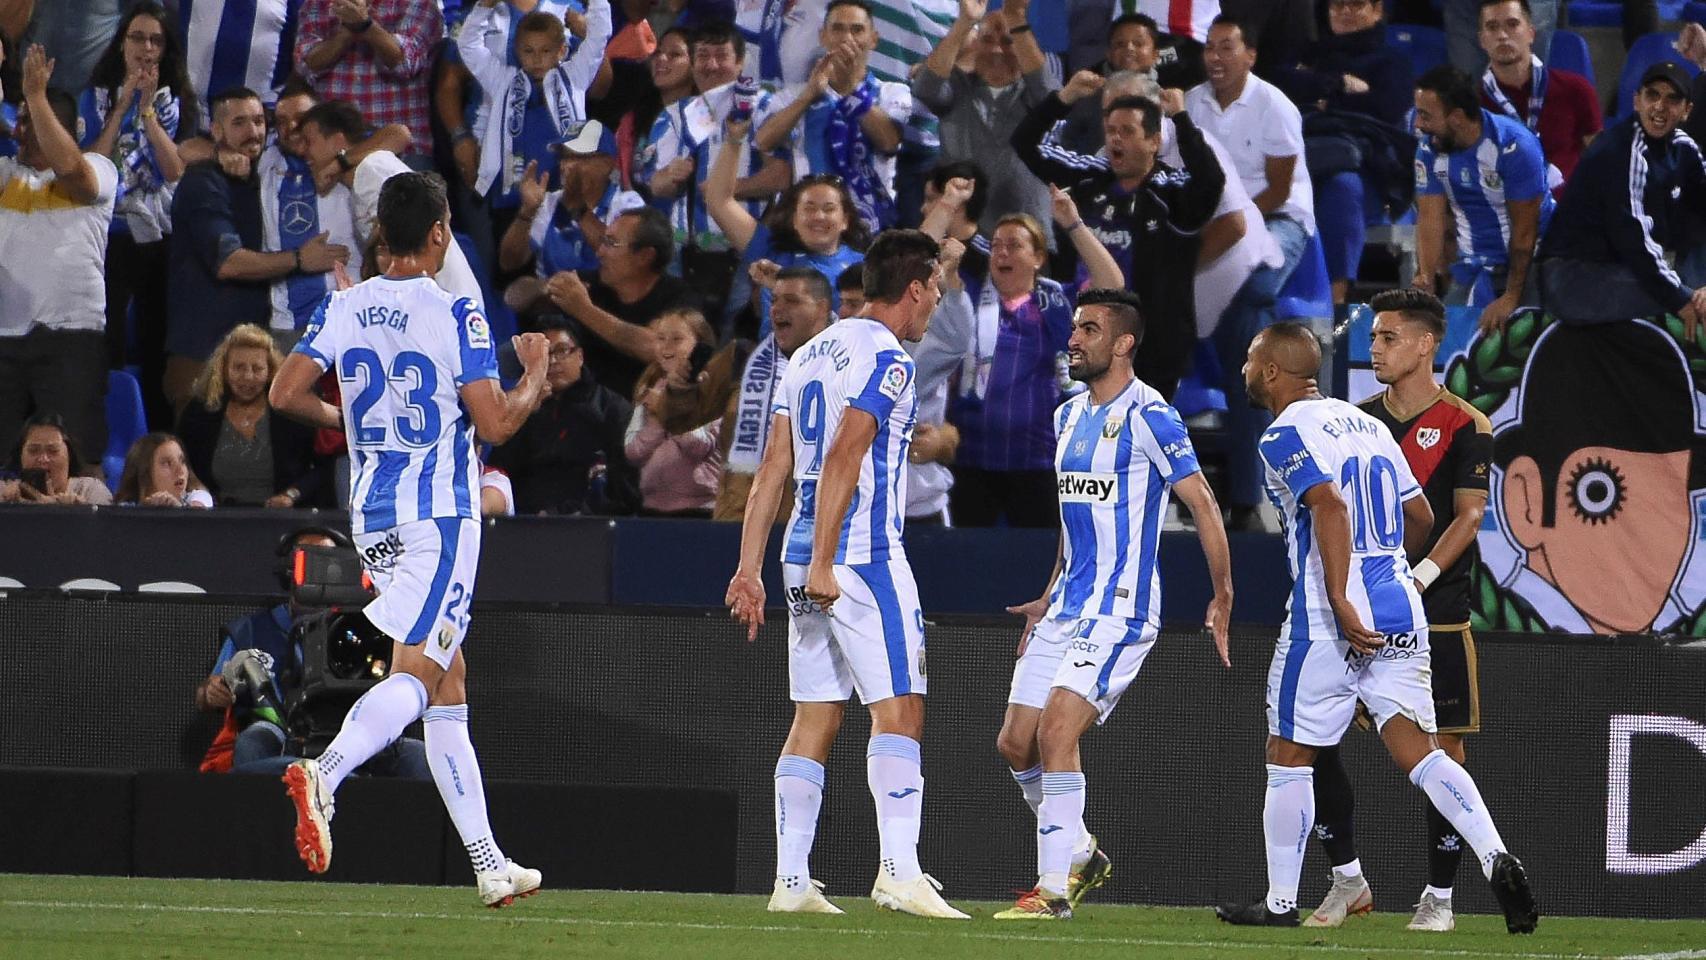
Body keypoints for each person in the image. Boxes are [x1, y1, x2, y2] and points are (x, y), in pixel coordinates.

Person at [267, 171, 552, 905]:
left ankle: (489, 864)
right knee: (419, 679)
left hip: (375, 520)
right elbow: (495, 425)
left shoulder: (342, 305)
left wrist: (348, 424)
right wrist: (537, 378)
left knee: (447, 687)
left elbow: (284, 392)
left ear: (375, 238)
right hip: (442, 518)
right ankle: (324, 774)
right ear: (438, 233)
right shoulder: (457, 310)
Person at [1216, 321, 1538, 936]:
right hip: (1398, 597)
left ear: (1274, 373)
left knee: (1288, 753)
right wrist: (1382, 570)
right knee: (1421, 752)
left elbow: (1329, 507)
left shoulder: (1283, 433)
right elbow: (1419, 513)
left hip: (1330, 611)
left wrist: (1340, 594)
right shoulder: (1367, 424)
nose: (1244, 372)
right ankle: (1496, 855)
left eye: (1251, 361)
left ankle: (1281, 902)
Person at [725, 228, 969, 919]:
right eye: (935, 294)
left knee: (816, 714)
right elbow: (845, 456)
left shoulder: (804, 356)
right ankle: (898, 871)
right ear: (914, 289)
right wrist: (831, 558)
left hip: (797, 554)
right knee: (901, 707)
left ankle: (791, 881)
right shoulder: (888, 359)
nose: (934, 310)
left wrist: (750, 568)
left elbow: (772, 467)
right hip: (858, 554)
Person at [991, 287, 1232, 920]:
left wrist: (1223, 594)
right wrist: (1046, 596)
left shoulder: (1153, 415)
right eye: (1074, 328)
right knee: (1015, 744)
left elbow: (1202, 503)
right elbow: (1075, 527)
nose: (1074, 339)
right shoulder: (1067, 415)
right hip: (1066, 607)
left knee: (1056, 730)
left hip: (1120, 609)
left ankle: (1051, 894)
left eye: (1090, 329)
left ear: (1124, 343)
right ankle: (1079, 850)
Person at [1303, 289, 1494, 932]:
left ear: (1425, 344)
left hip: (1434, 614)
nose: (1374, 348)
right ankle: (1346, 879)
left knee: (1443, 753)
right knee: (1313, 741)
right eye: (1373, 337)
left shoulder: (1468, 424)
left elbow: (1468, 515)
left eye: (1387, 337)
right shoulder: (1355, 422)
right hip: (1354, 615)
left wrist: (1419, 576)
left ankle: (1439, 896)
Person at [1011, 80, 1226, 399]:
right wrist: (1065, 97)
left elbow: (1211, 181)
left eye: (1127, 131)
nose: (1115, 138)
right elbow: (1027, 143)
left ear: (1154, 141)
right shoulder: (1088, 176)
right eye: (1111, 130)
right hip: (1080, 338)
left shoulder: (1172, 192)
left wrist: (1180, 118)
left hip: (1151, 350)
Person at [946, 194, 1125, 529]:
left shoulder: (1059, 302)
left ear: (1038, 257)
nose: (1001, 252)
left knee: (1038, 566)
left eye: (1014, 245)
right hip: (971, 459)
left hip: (1037, 462)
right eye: (996, 245)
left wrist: (1073, 224)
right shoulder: (967, 298)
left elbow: (1112, 283)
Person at [167, 86, 351, 412]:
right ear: (217, 130)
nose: (253, 131)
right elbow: (228, 263)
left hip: (251, 354)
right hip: (201, 350)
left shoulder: (265, 172)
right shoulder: (203, 182)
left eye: (258, 121)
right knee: (198, 453)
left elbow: (397, 135)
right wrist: (299, 259)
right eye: (239, 122)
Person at [194, 526, 430, 778]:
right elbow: (205, 695)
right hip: (283, 734)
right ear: (288, 571)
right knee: (254, 739)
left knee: (418, 756)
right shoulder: (250, 630)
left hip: (355, 729)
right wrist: (212, 692)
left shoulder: (368, 627)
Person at [0, 45, 118, 463]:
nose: (19, 131)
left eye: (30, 123)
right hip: (5, 340)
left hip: (72, 337)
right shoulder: (6, 176)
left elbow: (72, 173)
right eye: (22, 122)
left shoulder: (100, 170)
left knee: (78, 458)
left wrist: (35, 97)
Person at [81, 3, 193, 431]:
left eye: (155, 40)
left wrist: (146, 110)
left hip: (156, 236)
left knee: (153, 342)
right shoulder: (96, 95)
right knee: (103, 344)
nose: (146, 48)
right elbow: (92, 165)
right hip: (105, 233)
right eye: (137, 37)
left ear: (165, 50)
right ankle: (101, 438)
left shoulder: (177, 99)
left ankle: (159, 444)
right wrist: (123, 101)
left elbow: (174, 169)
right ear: (122, 43)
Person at [1536, 62, 1706, 333]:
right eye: (1653, 95)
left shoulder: (1683, 146)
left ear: (1687, 111)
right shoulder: (1623, 152)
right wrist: (1683, 299)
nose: (1660, 106)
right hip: (1573, 279)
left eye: (1672, 99)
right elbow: (1634, 242)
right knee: (1694, 305)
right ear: (1637, 101)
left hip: (1620, 268)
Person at [1411, 65, 1551, 334]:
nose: (1418, 124)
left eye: (1426, 116)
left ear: (1457, 118)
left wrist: (1511, 297)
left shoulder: (1514, 146)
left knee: (1525, 342)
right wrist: (1427, 275)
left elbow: (1524, 235)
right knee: (1446, 343)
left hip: (1534, 262)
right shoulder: (1429, 147)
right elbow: (1430, 217)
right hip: (1475, 265)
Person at [458, 0, 612, 242]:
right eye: (528, 51)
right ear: (517, 52)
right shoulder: (502, 81)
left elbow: (599, 36)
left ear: (562, 51)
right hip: (512, 197)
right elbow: (467, 45)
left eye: (546, 51)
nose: (537, 59)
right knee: (511, 272)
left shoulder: (575, 76)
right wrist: (484, 7)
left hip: (564, 196)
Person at [754, 0, 913, 234]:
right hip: (808, 224)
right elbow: (763, 140)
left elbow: (889, 142)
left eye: (857, 30)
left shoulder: (892, 92)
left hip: (870, 225)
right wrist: (808, 96)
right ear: (823, 36)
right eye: (837, 29)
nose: (847, 38)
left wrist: (852, 89)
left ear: (873, 39)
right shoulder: (797, 95)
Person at [1185, 15, 1315, 297]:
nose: (1215, 57)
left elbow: (1279, 191)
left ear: (1250, 56)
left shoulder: (1274, 106)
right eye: (1209, 48)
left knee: (1251, 281)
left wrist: (1225, 231)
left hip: (1276, 217)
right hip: (1213, 219)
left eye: (1226, 48)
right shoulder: (1191, 103)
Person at [639, 22, 790, 258]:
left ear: (740, 63)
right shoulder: (675, 114)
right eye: (702, 56)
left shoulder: (764, 106)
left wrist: (725, 191)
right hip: (684, 255)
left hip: (746, 252)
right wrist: (671, 175)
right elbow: (656, 186)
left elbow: (783, 175)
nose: (712, 65)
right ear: (692, 63)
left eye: (722, 56)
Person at [705, 116, 868, 331]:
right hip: (773, 362)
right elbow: (719, 202)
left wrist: (783, 285)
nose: (818, 216)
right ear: (794, 219)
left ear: (845, 220)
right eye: (809, 208)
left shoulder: (864, 268)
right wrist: (734, 139)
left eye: (829, 209)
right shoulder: (771, 250)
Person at [912, 0, 1056, 240]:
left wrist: (1017, 19)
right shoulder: (958, 87)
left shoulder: (1035, 96)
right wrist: (964, 22)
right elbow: (925, 87)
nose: (997, 50)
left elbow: (1051, 97)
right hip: (958, 237)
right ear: (975, 45)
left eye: (1008, 41)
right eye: (987, 40)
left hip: (1027, 239)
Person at [711, 265, 835, 520]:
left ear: (822, 309)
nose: (778, 308)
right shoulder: (741, 359)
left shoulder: (852, 365)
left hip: (814, 524)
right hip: (739, 518)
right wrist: (673, 388)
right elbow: (684, 411)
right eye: (775, 300)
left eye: (792, 301)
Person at [543, 206, 701, 398]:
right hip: (583, 409)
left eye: (611, 243)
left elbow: (661, 350)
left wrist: (584, 310)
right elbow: (514, 295)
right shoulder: (590, 284)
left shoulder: (680, 298)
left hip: (643, 410)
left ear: (645, 256)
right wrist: (545, 288)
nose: (599, 252)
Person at [488, 317, 639, 514]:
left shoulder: (611, 408)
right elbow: (500, 470)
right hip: (522, 522)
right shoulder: (521, 407)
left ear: (580, 356)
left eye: (562, 351)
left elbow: (623, 485)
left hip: (590, 525)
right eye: (545, 354)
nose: (553, 361)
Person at [258, 86, 370, 342]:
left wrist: (339, 163)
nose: (292, 127)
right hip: (289, 322)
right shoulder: (267, 160)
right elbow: (191, 151)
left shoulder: (352, 154)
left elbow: (399, 134)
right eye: (282, 121)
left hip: (349, 316)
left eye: (301, 117)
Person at [499, 119, 645, 313]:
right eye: (565, 157)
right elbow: (509, 263)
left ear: (608, 162)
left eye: (579, 158)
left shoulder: (628, 204)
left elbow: (626, 264)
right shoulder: (549, 202)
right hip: (555, 314)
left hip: (609, 312)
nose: (568, 166)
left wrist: (579, 210)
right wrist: (527, 212)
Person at [176, 323, 325, 508]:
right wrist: (200, 497)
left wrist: (291, 495)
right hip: (216, 518)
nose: (248, 376)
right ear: (223, 369)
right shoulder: (200, 411)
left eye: (257, 369)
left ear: (270, 371)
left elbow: (321, 468)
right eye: (238, 368)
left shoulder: (291, 410)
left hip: (282, 517)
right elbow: (183, 465)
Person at [1476, 0, 1599, 199]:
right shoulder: (1472, 104)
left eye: (1513, 24)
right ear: (1482, 40)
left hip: (1568, 215)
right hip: (1503, 217)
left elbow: (1602, 162)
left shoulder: (1576, 89)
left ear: (1531, 33)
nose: (1502, 35)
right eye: (1492, 27)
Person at [294, 0, 444, 151]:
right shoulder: (314, 5)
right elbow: (307, 65)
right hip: (334, 151)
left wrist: (365, 25)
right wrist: (348, 30)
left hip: (402, 150)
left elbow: (405, 64)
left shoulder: (419, 3)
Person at [624, 307, 724, 516]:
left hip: (700, 511)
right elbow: (632, 451)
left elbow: (699, 446)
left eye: (677, 339)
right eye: (661, 338)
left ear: (700, 344)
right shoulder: (648, 388)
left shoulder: (713, 390)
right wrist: (657, 421)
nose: (666, 346)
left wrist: (667, 410)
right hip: (652, 508)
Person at [0, 412, 114, 506]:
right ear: (20, 454)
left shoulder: (90, 490)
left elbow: (106, 530)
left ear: (69, 454)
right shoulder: (4, 492)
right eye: (33, 451)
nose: (43, 459)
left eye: (53, 451)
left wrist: (79, 513)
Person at [115, 431, 213, 507]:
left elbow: (197, 518)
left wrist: (178, 509)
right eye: (167, 463)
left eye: (182, 461)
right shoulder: (124, 510)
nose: (180, 470)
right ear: (144, 472)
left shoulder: (199, 497)